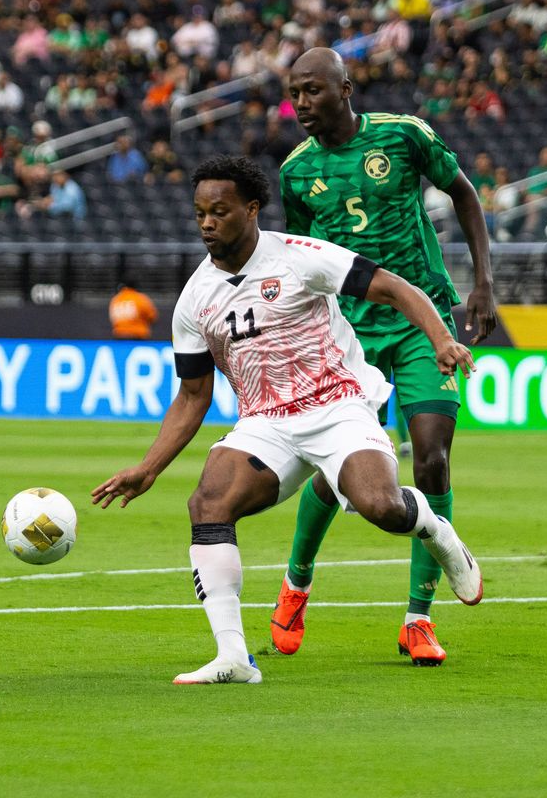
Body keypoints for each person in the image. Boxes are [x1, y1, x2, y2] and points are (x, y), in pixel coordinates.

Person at [91, 155, 483, 684]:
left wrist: (440, 338)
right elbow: (191, 396)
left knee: (383, 507)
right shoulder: (194, 300)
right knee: (207, 504)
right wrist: (148, 468)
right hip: (265, 423)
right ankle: (233, 657)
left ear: (251, 210)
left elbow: (392, 287)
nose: (207, 222)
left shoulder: (299, 257)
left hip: (337, 404)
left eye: (220, 211)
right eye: (200, 212)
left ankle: (437, 530)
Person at [274, 47, 496, 666]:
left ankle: (418, 620)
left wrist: (482, 282)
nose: (301, 105)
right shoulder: (296, 173)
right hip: (347, 336)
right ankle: (296, 583)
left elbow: (464, 193)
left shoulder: (403, 136)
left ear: (346, 88)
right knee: (335, 470)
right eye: (294, 93)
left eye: (312, 91)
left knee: (432, 460)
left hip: (424, 323)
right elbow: (300, 261)